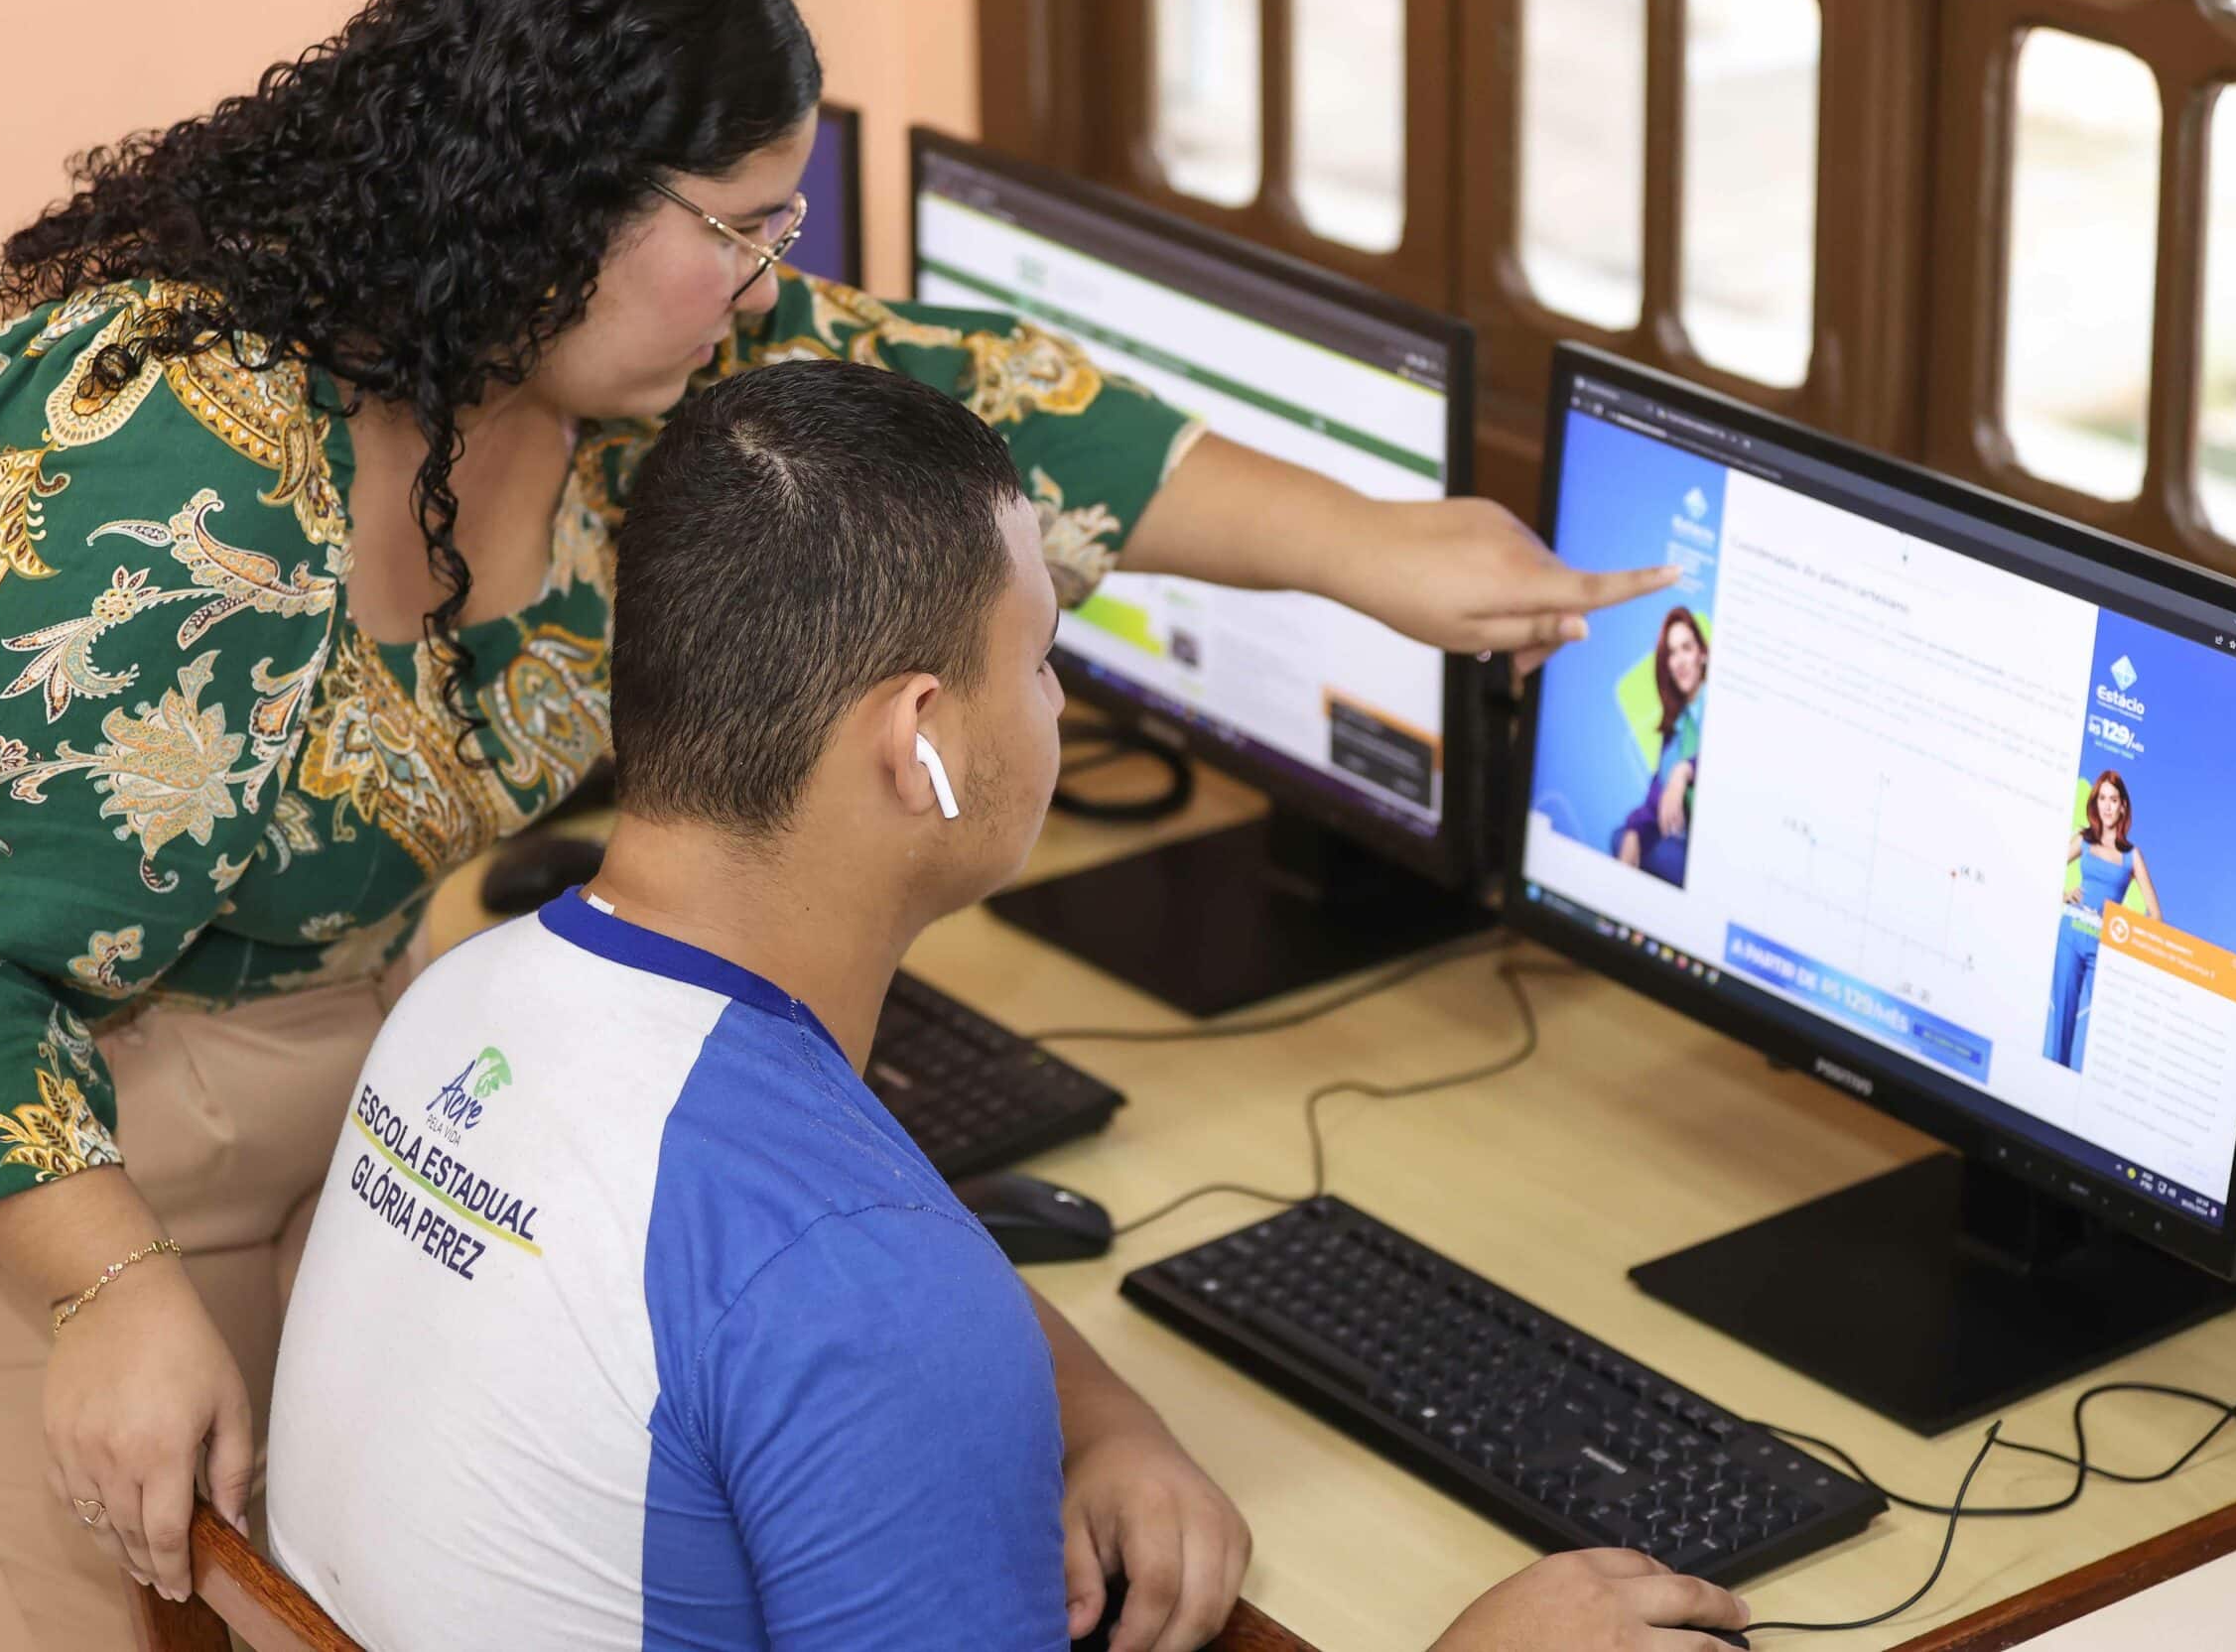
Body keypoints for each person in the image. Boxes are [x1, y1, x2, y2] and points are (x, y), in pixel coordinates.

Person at [0, 0, 1674, 1644]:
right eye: (740, 226)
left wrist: (1371, 550)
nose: (768, 282)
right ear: (545, 196)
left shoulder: (631, 355)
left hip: (335, 1072)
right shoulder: (149, 446)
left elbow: (976, 409)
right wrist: (109, 1287)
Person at [265, 360, 1754, 1652]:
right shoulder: (865, 1285)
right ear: (921, 741)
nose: (1053, 704)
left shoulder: (464, 999)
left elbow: (774, 1301)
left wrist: (1099, 1410)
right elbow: (850, 1301)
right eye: (1039, 657)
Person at [2043, 769, 2161, 1069]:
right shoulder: (2083, 840)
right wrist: (2064, 894)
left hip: (2105, 946)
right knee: (2063, 1018)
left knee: (2104, 1027)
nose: (2107, 805)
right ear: (2095, 804)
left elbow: (2155, 916)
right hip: (2071, 935)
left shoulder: (2132, 855)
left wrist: (2124, 930)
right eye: (2102, 799)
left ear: (2123, 806)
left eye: (2113, 799)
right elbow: (2044, 867)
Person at [1613, 608, 1708, 887]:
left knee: (1667, 857)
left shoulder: (1720, 710)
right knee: (1622, 838)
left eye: (1686, 648)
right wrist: (1634, 832)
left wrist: (1684, 771)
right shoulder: (1674, 731)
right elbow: (1655, 801)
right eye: (1671, 654)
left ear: (1702, 654)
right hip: (1678, 842)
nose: (1679, 661)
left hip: (1709, 852)